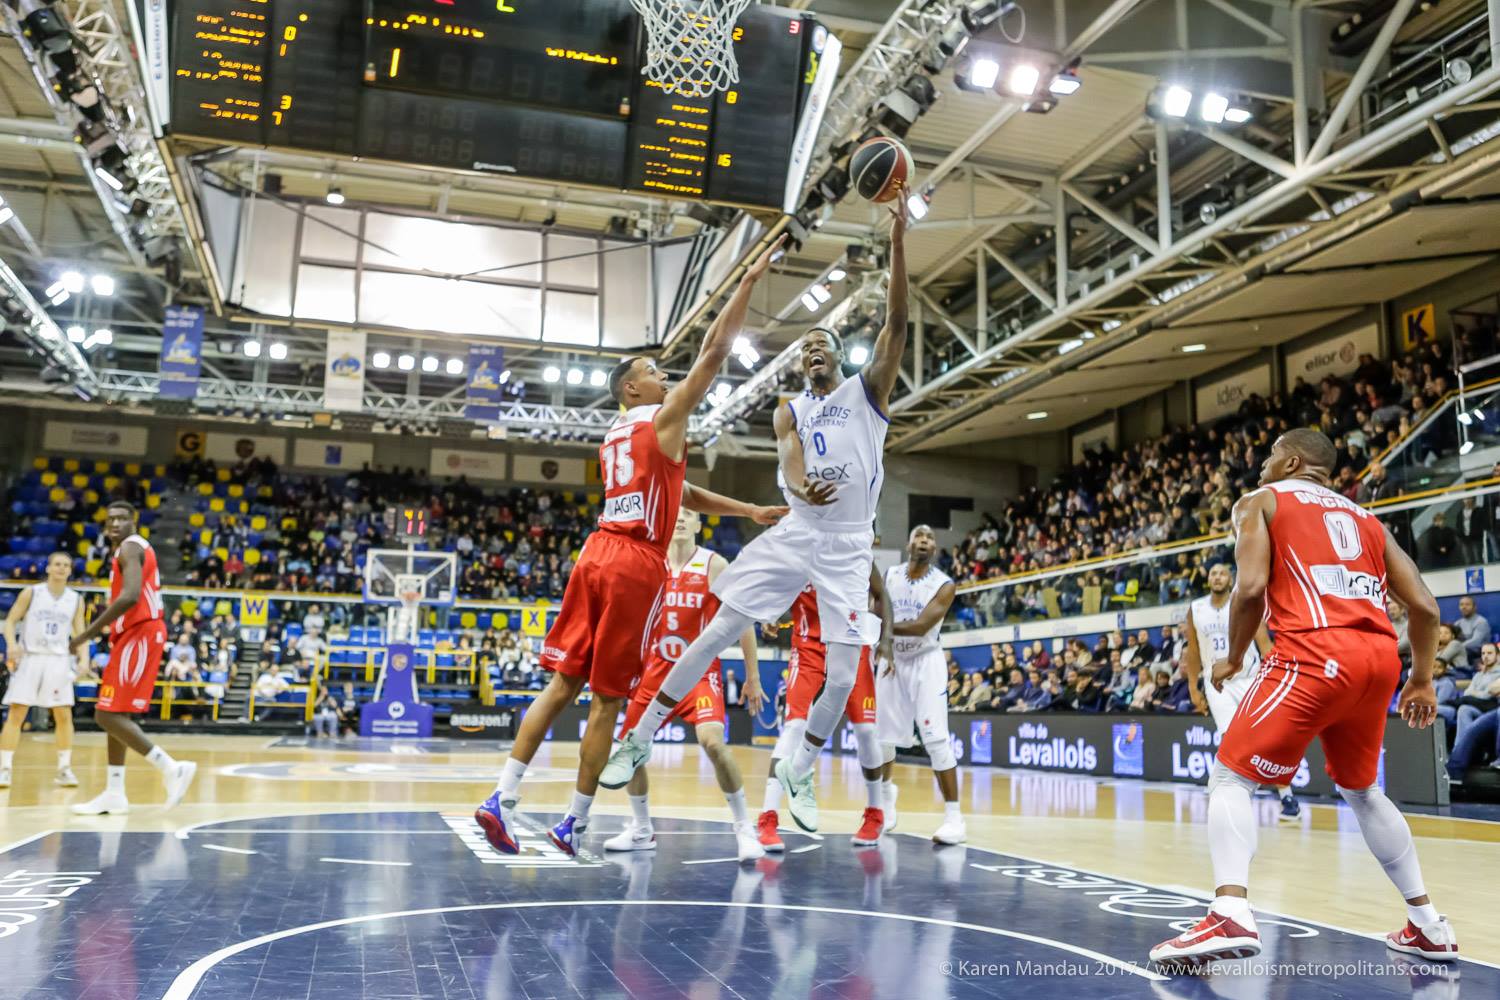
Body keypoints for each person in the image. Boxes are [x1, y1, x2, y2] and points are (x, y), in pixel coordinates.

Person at [473, 236, 788, 858]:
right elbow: (716, 351)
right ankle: (573, 823)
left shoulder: (618, 433)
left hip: (594, 553)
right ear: (632, 390)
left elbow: (682, 491)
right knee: (608, 702)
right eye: (651, 372)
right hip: (634, 565)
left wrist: (747, 510)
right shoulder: (665, 418)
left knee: (561, 684)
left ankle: (500, 798)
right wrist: (747, 280)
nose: (663, 376)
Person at [604, 202, 909, 841]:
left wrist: (900, 238)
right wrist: (802, 490)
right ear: (802, 366)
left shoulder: (869, 393)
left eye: (824, 343)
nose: (814, 350)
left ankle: (800, 767)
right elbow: (790, 467)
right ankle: (638, 737)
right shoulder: (788, 410)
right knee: (717, 631)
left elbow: (898, 324)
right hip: (799, 530)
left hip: (853, 548)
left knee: (846, 676)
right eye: (806, 347)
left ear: (842, 356)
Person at [1150, 429, 1457, 966]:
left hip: (1315, 653)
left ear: (1292, 461)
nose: (1262, 463)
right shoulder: (1367, 520)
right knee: (1361, 790)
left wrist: (1232, 657)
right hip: (1380, 658)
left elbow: (1248, 590)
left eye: (1269, 455)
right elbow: (1427, 608)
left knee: (1230, 775)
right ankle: (1428, 923)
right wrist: (1422, 678)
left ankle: (1229, 913)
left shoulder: (1260, 502)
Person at [602, 508, 766, 861]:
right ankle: (642, 829)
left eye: (688, 513)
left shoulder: (714, 565)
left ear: (698, 524)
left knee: (713, 744)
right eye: (673, 513)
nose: (679, 518)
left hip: (699, 673)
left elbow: (743, 620)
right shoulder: (651, 562)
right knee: (630, 751)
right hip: (654, 673)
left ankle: (744, 828)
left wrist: (752, 676)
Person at [68, 501, 197, 814]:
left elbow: (130, 595)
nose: (115, 523)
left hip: (140, 632)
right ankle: (114, 793)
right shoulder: (128, 548)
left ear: (133, 521)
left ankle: (170, 768)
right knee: (116, 712)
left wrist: (86, 634)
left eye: (122, 518)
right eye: (110, 519)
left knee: (105, 714)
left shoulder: (129, 547)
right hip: (133, 634)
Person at [758, 567, 892, 851]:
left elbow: (881, 594)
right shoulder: (798, 545)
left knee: (867, 731)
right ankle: (768, 817)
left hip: (853, 643)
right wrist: (771, 616)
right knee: (794, 726)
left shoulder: (854, 544)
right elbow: (777, 591)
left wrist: (886, 639)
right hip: (808, 648)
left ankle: (875, 812)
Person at [1182, 562, 1300, 821]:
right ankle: (1232, 795)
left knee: (1268, 740)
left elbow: (1264, 644)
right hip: (1218, 684)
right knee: (1230, 738)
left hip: (1250, 679)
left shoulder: (1245, 602)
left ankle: (1287, 795)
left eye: (1222, 573)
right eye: (1213, 573)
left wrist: (1279, 680)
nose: (1217, 577)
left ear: (1230, 578)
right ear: (1208, 579)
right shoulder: (1196, 608)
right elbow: (1192, 651)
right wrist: (1193, 687)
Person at [875, 525, 962, 843]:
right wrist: (881, 639)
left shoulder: (944, 584)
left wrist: (881, 629)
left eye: (930, 538)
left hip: (926, 661)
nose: (924, 541)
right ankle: (886, 798)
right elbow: (876, 608)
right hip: (892, 661)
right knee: (882, 739)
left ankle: (955, 819)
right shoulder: (890, 575)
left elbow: (922, 625)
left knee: (937, 739)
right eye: (919, 536)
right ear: (908, 543)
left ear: (935, 548)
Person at [1, 552, 84, 789]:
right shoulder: (32, 592)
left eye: (66, 565)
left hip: (59, 660)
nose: (61, 568)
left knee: (63, 714)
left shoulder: (75, 599)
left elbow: (80, 632)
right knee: (17, 712)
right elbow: (10, 621)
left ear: (70, 570)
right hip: (31, 657)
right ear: (48, 568)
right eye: (57, 564)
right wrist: (12, 644)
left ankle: (64, 769)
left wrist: (84, 658)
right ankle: (4, 769)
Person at [1453, 595, 1490, 665]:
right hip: (1462, 648)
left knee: (1456, 651)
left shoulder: (1481, 621)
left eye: (1467, 604)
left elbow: (1476, 641)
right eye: (1461, 605)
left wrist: (1457, 647)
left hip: (1478, 650)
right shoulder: (1458, 623)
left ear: (1474, 607)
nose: (1464, 607)